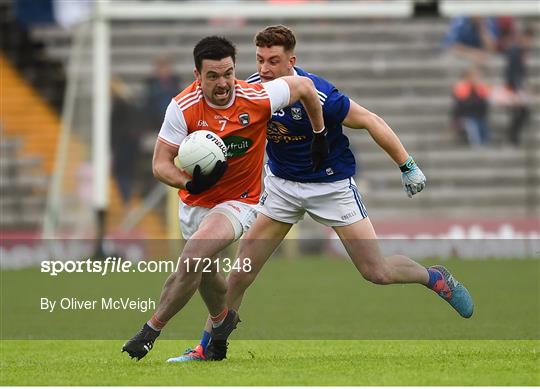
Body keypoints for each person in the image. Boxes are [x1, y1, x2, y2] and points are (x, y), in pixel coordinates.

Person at [169, 25, 474, 363]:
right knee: (240, 273)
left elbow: (371, 120)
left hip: (331, 186)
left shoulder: (320, 94)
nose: (265, 69)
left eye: (273, 61)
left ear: (291, 62)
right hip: (281, 188)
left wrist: (407, 165)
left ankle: (434, 277)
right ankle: (208, 347)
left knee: (377, 272)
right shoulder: (250, 90)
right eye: (259, 60)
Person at [121, 35, 326, 361]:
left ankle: (150, 331)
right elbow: (160, 164)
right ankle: (222, 322)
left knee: (192, 259)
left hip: (240, 201)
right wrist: (189, 183)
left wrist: (319, 135)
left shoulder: (256, 97)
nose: (223, 83)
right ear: (197, 75)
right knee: (206, 274)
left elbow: (303, 88)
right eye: (213, 76)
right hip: (195, 203)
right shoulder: (182, 107)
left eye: (228, 73)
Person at [451, 66, 491, 146]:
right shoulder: (461, 87)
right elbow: (462, 105)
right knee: (472, 125)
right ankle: (476, 143)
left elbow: (484, 101)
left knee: (483, 126)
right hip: (466, 116)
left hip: (479, 115)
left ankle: (484, 142)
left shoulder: (480, 87)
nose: (475, 78)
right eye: (473, 76)